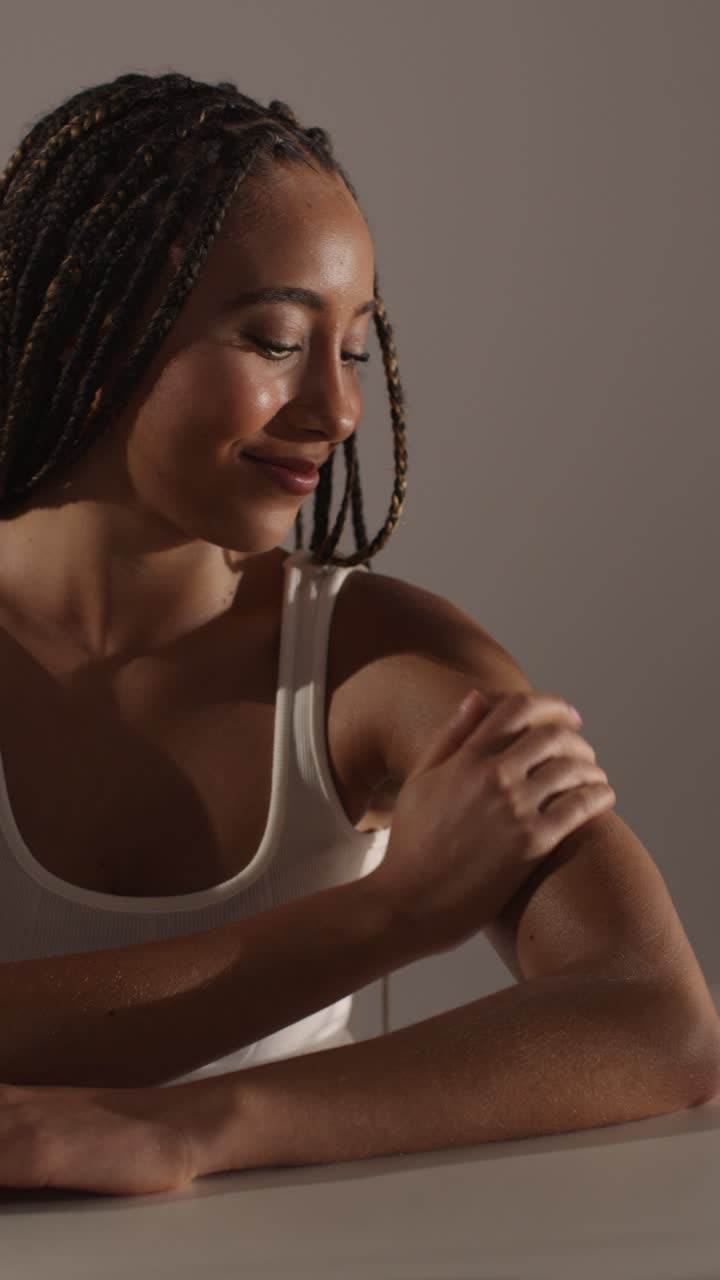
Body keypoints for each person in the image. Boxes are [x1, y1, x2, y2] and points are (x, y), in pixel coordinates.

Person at [0, 72, 715, 1197]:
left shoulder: (377, 662)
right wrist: (390, 914)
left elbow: (656, 1019)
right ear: (90, 317)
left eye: (355, 351)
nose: (336, 412)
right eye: (276, 339)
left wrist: (187, 1128)